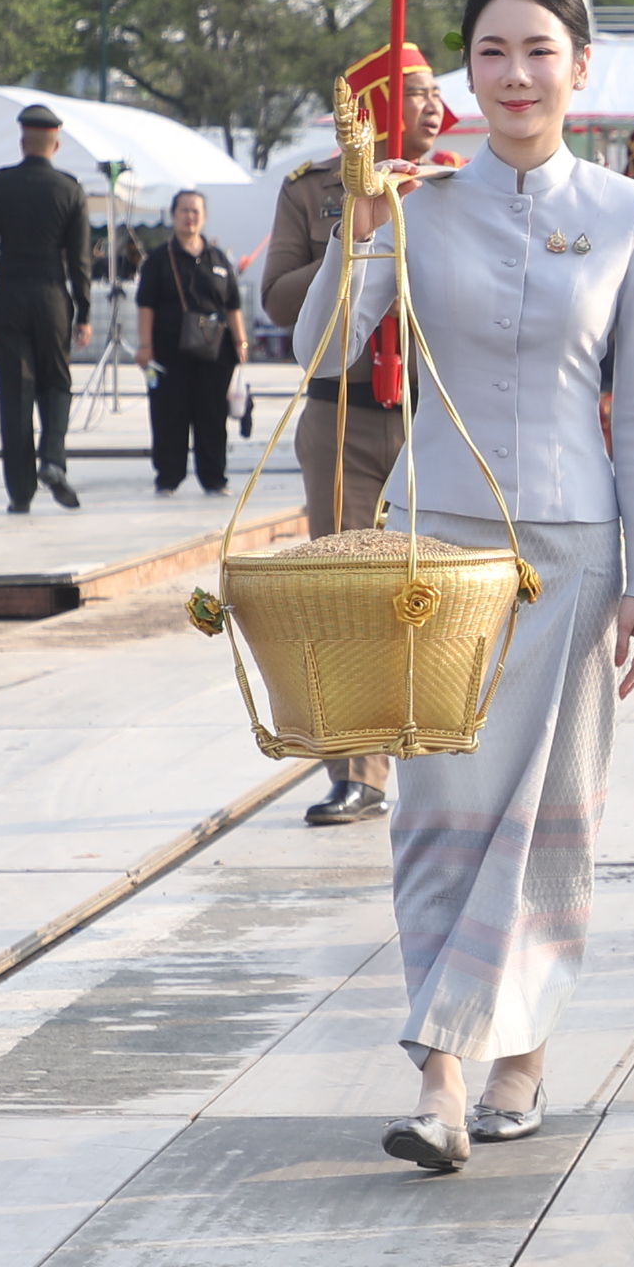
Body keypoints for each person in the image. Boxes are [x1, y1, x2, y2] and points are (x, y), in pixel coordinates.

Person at [296, 0, 634, 1176]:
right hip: (434, 554)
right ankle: (444, 1076)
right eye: (493, 53)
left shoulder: (627, 214)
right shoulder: (420, 202)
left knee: (550, 820)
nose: (515, 76)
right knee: (440, 817)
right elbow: (320, 352)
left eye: (539, 51)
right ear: (466, 70)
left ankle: (522, 1054)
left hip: (570, 554)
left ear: (580, 66)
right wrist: (360, 229)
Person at [261, 50, 450, 826]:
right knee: (344, 594)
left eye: (438, 90)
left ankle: (437, 750)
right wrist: (353, 232)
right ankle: (356, 770)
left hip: (428, 418)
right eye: (415, 93)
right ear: (375, 103)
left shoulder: (452, 186)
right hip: (339, 417)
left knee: (427, 594)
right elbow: (276, 298)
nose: (436, 105)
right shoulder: (311, 187)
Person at [0, 105, 91, 513]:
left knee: (15, 391)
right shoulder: (70, 189)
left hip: (8, 296)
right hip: (52, 295)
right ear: (56, 143)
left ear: (23, 141)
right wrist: (85, 311)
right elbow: (80, 261)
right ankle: (53, 458)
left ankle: (20, 492)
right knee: (56, 382)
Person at [138, 188, 243, 495]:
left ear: (204, 217)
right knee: (169, 415)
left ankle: (214, 478)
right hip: (170, 351)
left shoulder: (218, 258)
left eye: (196, 211)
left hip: (214, 352)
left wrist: (242, 343)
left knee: (212, 415)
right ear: (173, 215)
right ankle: (168, 478)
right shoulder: (159, 259)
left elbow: (232, 304)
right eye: (184, 210)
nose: (190, 217)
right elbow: (146, 306)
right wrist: (145, 347)